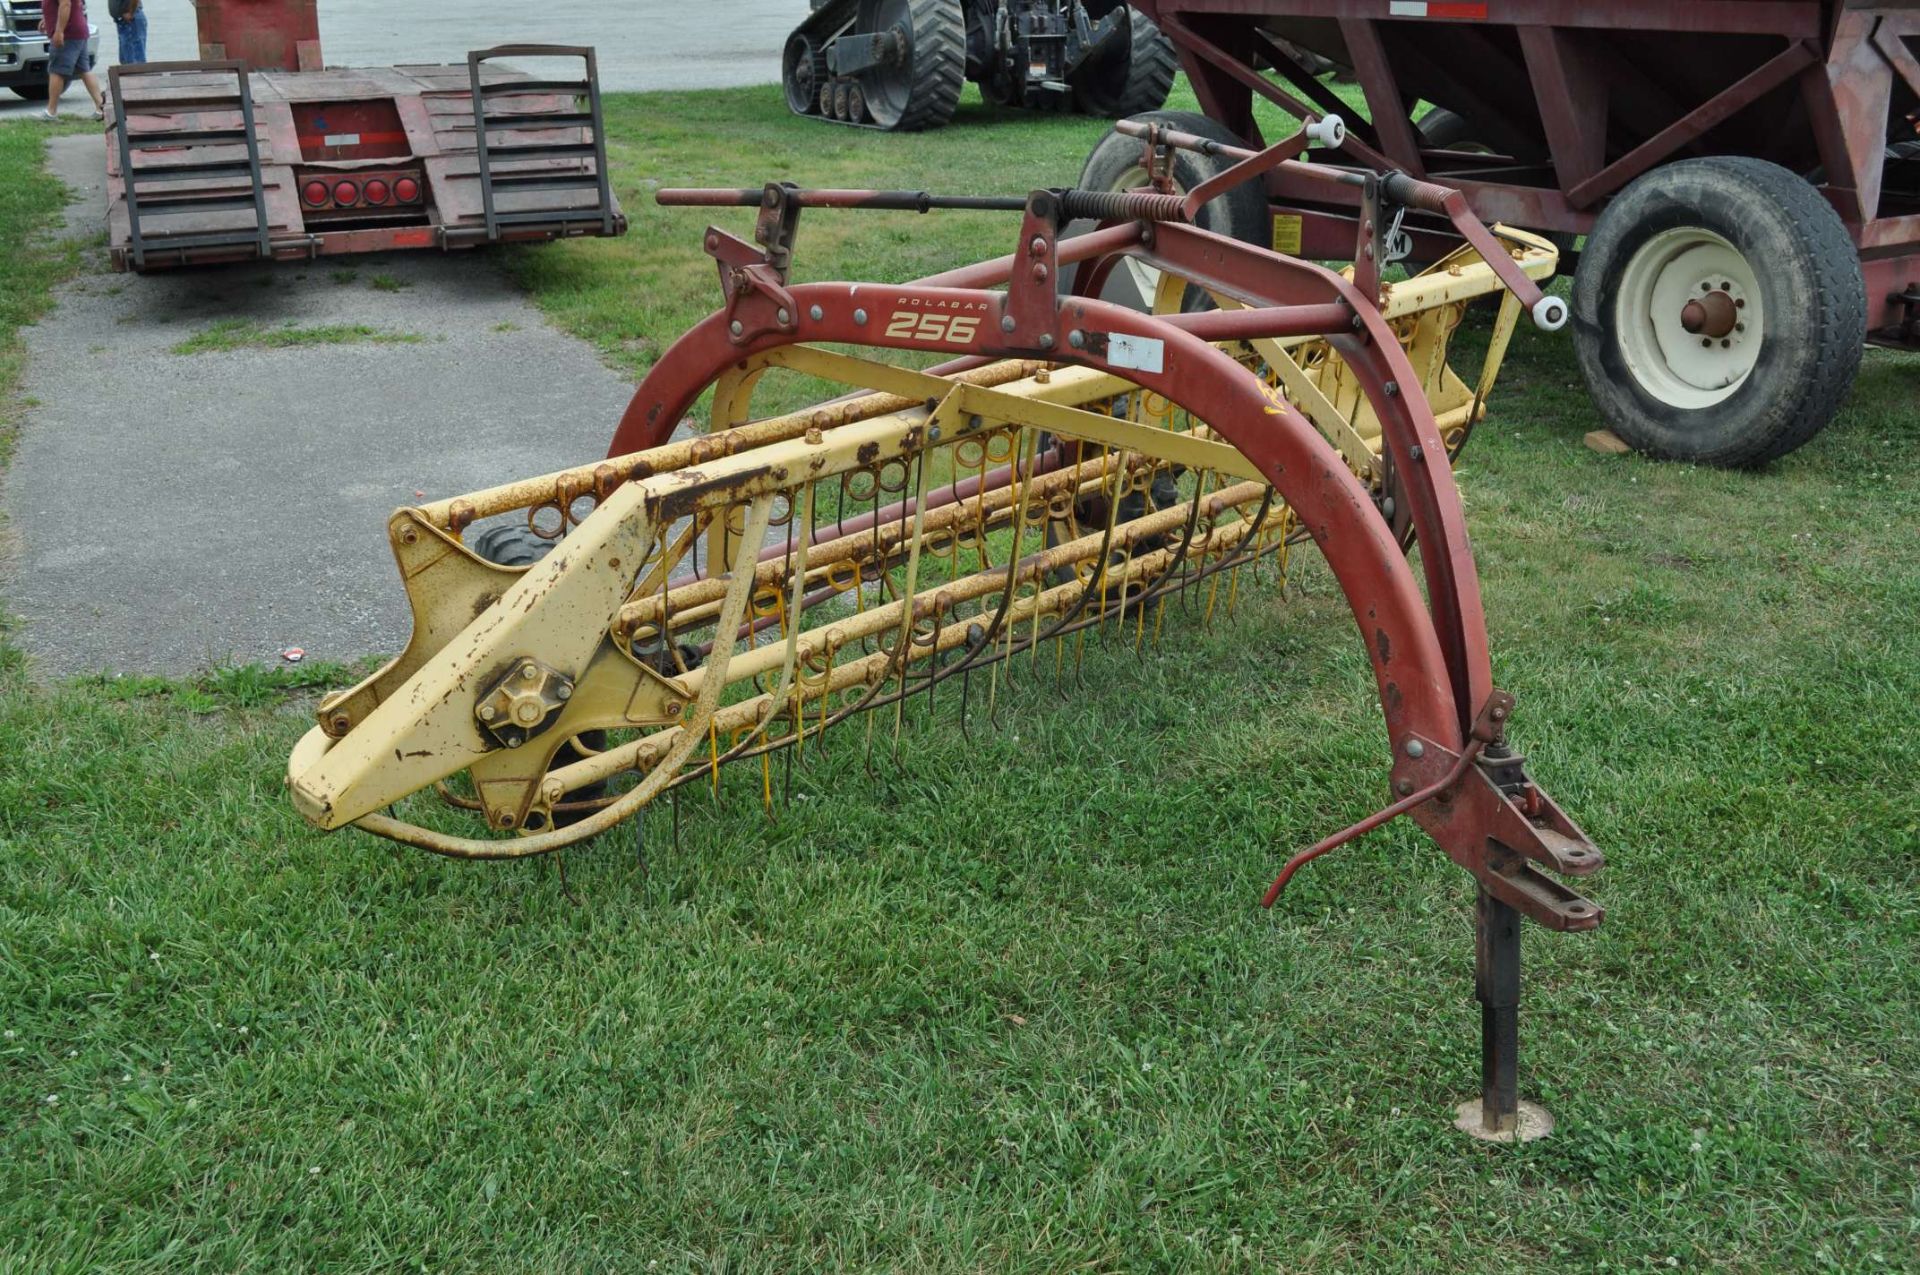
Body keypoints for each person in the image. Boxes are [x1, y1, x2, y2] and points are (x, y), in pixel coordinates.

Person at [39, 0, 107, 123]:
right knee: (84, 69)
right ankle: (102, 107)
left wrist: (59, 31)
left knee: (56, 71)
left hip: (68, 33)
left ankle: (51, 112)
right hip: (77, 30)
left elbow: (65, 4)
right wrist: (48, 19)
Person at [109, 0, 146, 67]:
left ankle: (138, 76)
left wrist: (131, 12)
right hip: (122, 21)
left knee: (135, 61)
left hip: (131, 18)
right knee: (126, 60)